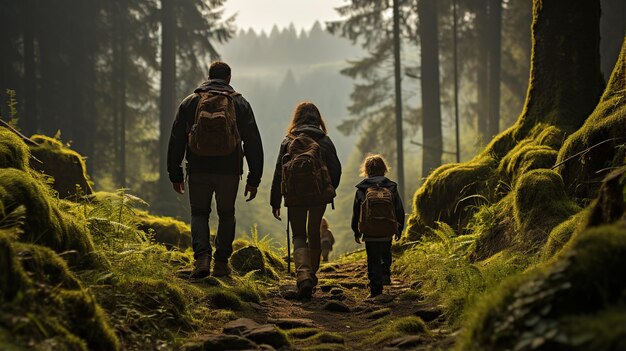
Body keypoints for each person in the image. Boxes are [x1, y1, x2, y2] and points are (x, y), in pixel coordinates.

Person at [167, 61, 263, 278]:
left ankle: (201, 258)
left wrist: (175, 172)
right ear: (228, 78)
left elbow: (176, 139)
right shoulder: (240, 103)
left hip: (198, 167)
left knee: (199, 213)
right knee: (226, 214)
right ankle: (221, 263)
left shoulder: (191, 102)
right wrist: (253, 178)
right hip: (229, 170)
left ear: (209, 76)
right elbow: (253, 142)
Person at [270, 101, 341, 298]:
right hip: (319, 195)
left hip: (294, 195)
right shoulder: (324, 140)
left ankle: (303, 275)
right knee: (314, 231)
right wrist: (329, 188)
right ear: (318, 119)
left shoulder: (288, 141)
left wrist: (275, 200)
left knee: (299, 234)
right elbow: (336, 169)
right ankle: (313, 272)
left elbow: (278, 172)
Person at [352, 154, 404, 298]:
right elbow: (398, 209)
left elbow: (356, 212)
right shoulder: (391, 187)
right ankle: (385, 274)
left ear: (367, 170)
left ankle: (376, 289)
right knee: (385, 252)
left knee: (372, 258)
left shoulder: (362, 190)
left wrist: (356, 231)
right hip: (387, 229)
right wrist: (399, 228)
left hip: (369, 231)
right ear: (384, 169)